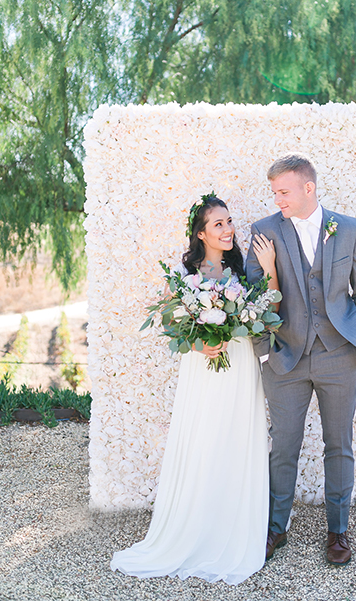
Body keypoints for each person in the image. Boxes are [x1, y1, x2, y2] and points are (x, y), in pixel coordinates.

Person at [111, 195, 279, 585]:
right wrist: (200, 343)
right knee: (205, 436)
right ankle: (196, 526)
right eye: (218, 224)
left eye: (230, 222)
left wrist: (269, 267)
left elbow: (268, 301)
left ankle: (234, 524)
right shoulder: (186, 275)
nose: (228, 229)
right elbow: (172, 323)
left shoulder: (241, 267)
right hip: (203, 365)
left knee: (236, 437)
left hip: (239, 364)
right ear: (201, 233)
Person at [245, 155, 356, 566]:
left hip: (340, 355)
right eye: (274, 192)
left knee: (339, 445)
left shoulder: (348, 228)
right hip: (285, 359)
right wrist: (265, 350)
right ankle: (275, 528)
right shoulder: (264, 231)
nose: (277, 198)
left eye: (283, 191)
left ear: (309, 188)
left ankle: (338, 531)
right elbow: (255, 300)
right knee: (282, 445)